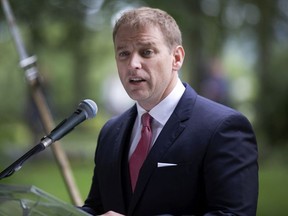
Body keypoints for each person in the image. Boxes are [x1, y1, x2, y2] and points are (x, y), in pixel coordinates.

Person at [80, 7, 258, 216]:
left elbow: (234, 214)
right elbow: (97, 208)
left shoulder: (223, 128)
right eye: (123, 53)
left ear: (177, 58)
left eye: (146, 52)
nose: (132, 64)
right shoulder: (110, 132)